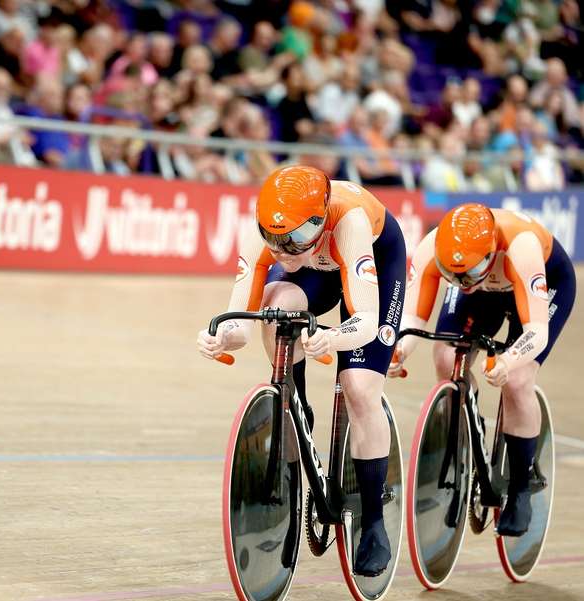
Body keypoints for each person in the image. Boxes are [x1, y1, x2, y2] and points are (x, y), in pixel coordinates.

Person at [197, 165, 406, 577]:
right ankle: (298, 403)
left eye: (292, 240)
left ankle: (374, 524)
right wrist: (222, 337)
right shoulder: (273, 234)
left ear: (320, 220)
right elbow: (242, 318)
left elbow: (364, 319)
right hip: (317, 267)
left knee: (359, 387)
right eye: (273, 239)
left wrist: (333, 338)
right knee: (278, 302)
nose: (281, 251)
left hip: (374, 266)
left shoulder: (350, 221)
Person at [391, 203, 575, 536]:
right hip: (487, 288)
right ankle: (466, 421)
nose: (461, 282)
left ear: (490, 254)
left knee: (518, 380)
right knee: (446, 357)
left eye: (468, 274)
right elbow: (413, 318)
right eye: (452, 275)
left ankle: (521, 485)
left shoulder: (521, 247)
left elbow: (536, 331)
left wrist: (507, 359)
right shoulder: (435, 250)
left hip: (543, 283)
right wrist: (400, 350)